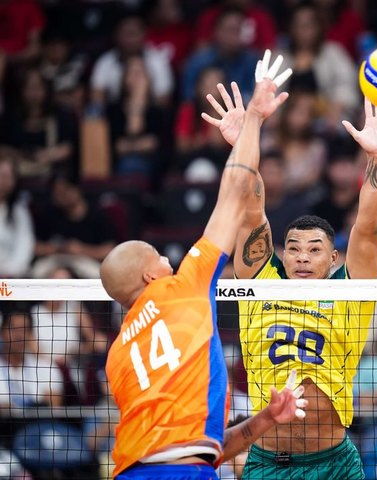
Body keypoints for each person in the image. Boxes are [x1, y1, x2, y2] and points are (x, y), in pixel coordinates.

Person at [99, 51, 308, 479]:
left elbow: (198, 448)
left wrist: (265, 419)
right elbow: (233, 191)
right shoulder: (181, 287)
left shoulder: (117, 355)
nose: (168, 260)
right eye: (159, 257)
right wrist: (253, 119)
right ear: (148, 276)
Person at [202, 52, 377, 480]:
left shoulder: (350, 291)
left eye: (315, 250)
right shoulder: (259, 282)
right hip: (266, 463)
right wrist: (245, 139)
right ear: (282, 255)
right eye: (293, 248)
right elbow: (251, 208)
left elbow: (368, 230)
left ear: (333, 259)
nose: (303, 257)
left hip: (334, 464)